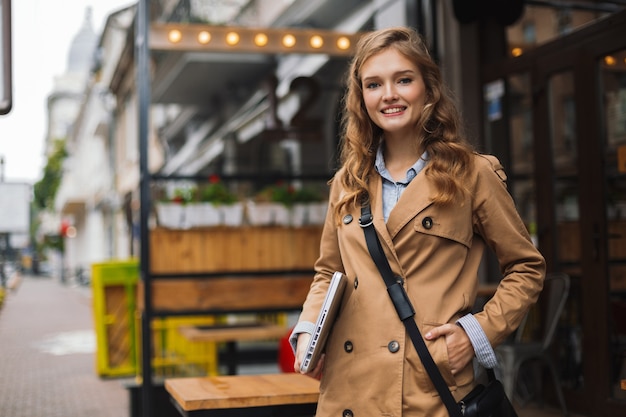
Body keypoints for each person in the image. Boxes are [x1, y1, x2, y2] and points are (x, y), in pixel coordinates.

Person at [289, 26, 546, 417]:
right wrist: (309, 332)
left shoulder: (471, 174)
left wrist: (475, 333)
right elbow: (328, 272)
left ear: (428, 87)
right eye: (373, 84)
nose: (388, 94)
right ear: (361, 98)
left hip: (427, 389)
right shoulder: (348, 181)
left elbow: (526, 268)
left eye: (403, 80)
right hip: (349, 390)